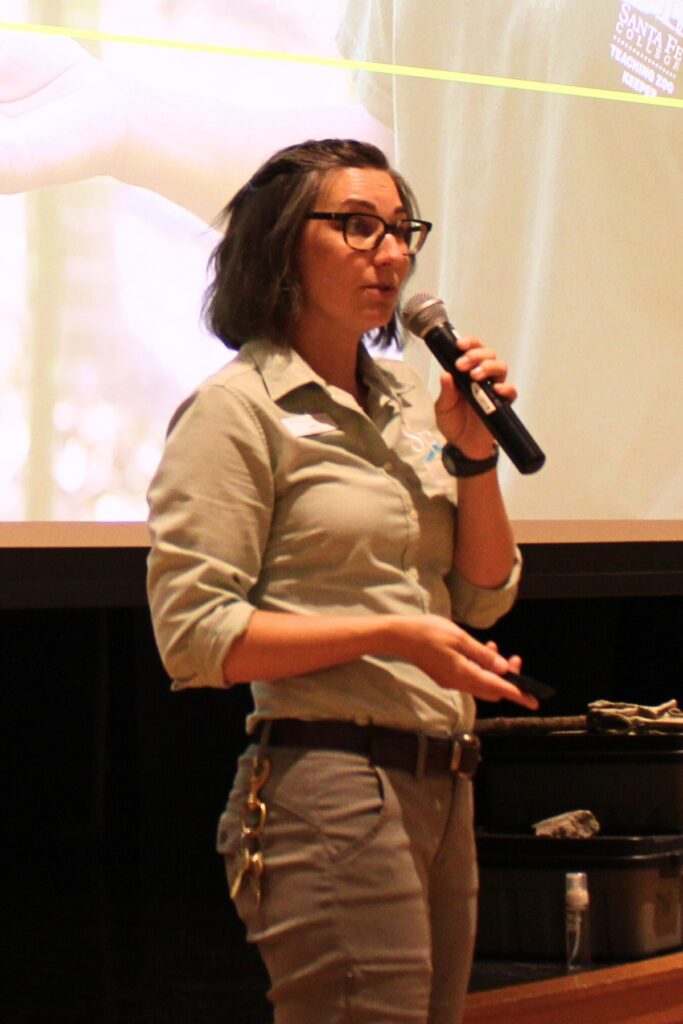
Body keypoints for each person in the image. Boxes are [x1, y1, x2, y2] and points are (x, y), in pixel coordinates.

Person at [146, 138, 537, 1024]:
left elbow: (481, 597)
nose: (392, 254)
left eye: (402, 231)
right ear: (283, 241)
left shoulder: (407, 401)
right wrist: (390, 632)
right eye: (358, 227)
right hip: (329, 778)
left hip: (444, 783)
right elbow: (196, 637)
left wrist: (474, 461)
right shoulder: (237, 410)